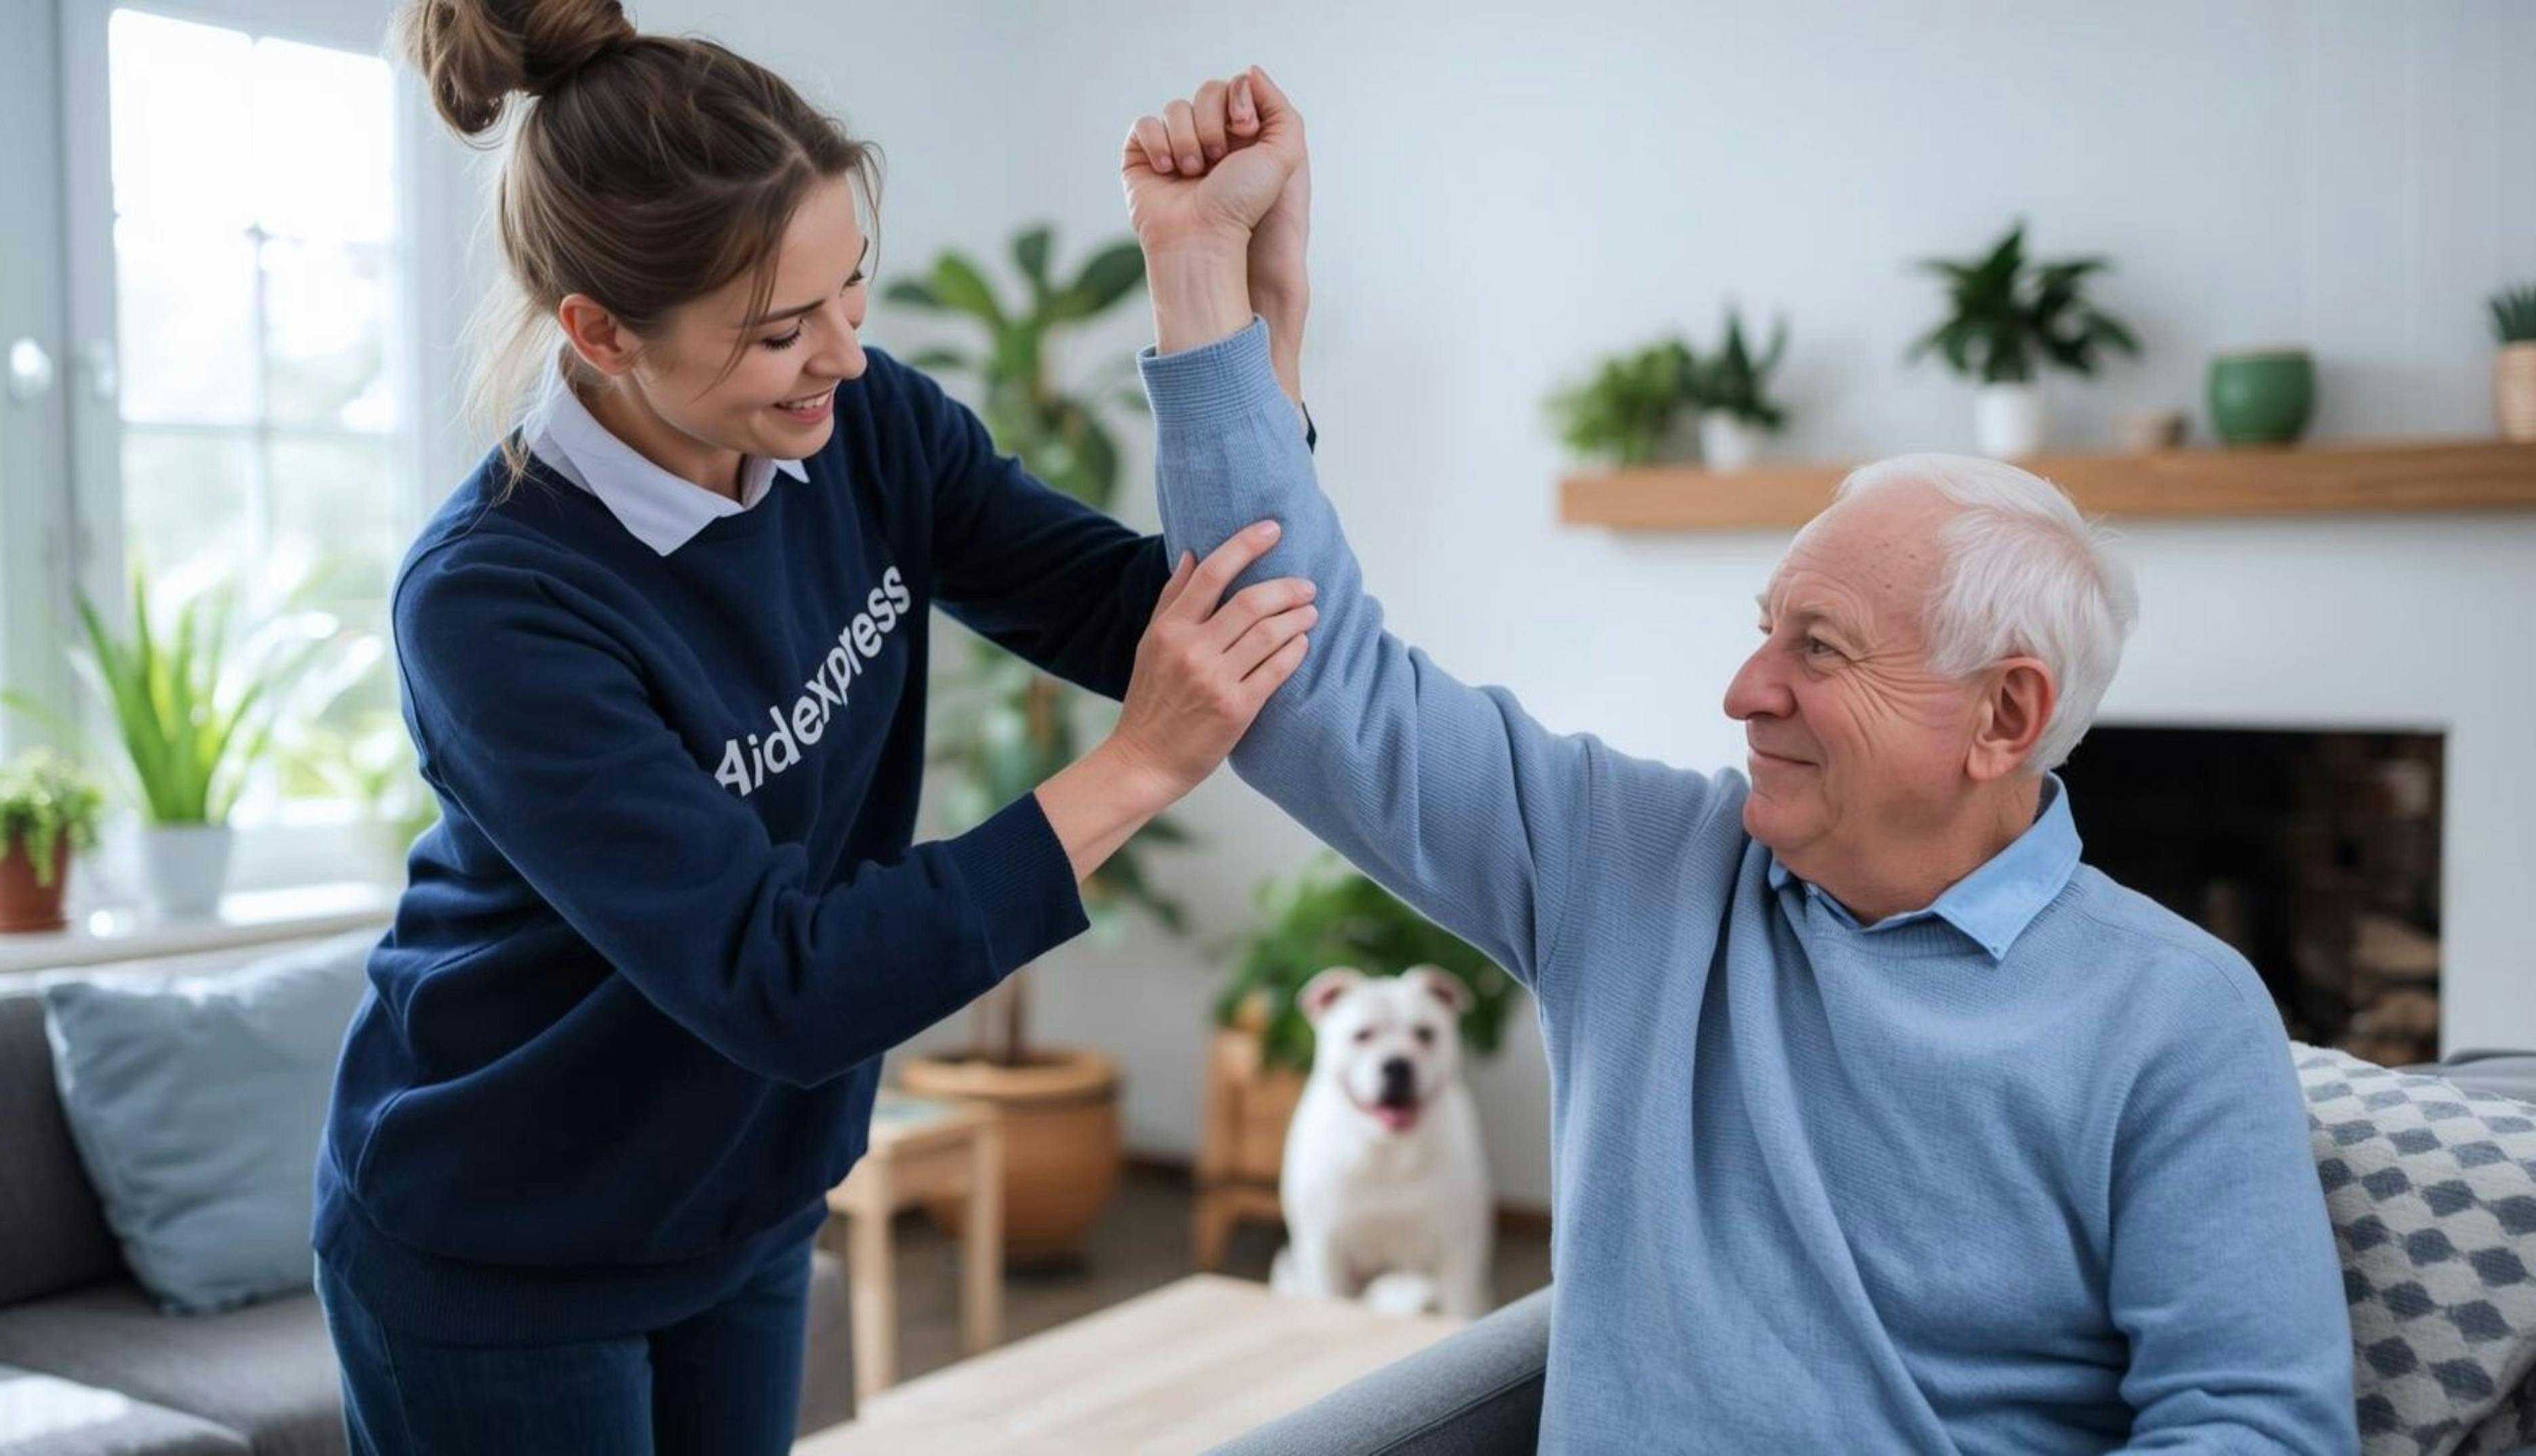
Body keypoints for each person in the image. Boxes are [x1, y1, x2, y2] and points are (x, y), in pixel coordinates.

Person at [1122, 68, 2356, 1454]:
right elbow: (1307, 692)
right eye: (1762, 629)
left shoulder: (2177, 1022)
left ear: (2006, 717)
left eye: (1818, 651)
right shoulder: (1636, 869)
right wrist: (1199, 272)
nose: (1742, 689)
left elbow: (2257, 1430)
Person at [311, 7, 1319, 1452]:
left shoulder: (863, 426)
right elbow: (781, 978)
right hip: (499, 1243)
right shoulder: (495, 603)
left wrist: (1240, 290)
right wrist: (1140, 767)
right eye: (782, 330)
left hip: (747, 1201)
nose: (843, 358)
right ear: (597, 332)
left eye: (855, 294)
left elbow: (1151, 612)